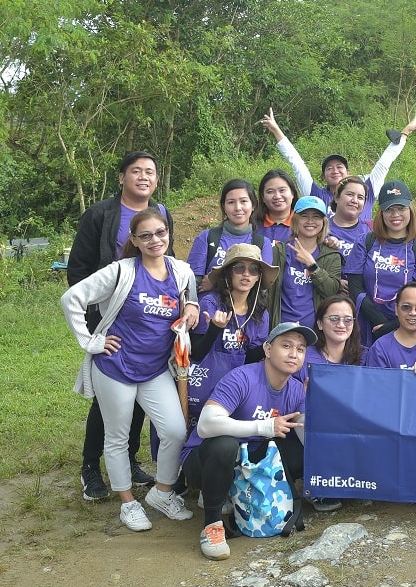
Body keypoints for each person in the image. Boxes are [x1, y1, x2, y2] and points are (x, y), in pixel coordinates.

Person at [61, 209, 198, 531]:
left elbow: (189, 298)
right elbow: (71, 298)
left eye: (160, 233)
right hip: (115, 367)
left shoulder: (181, 271)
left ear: (169, 234)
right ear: (134, 240)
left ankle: (162, 493)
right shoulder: (121, 271)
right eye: (145, 236)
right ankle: (128, 503)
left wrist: (192, 306)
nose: (154, 240)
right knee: (118, 437)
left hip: (155, 369)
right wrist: (91, 342)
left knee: (175, 431)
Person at [67, 150, 175, 502]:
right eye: (136, 171)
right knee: (107, 398)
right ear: (122, 177)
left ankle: (128, 459)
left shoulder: (160, 213)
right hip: (110, 320)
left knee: (141, 394)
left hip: (148, 319)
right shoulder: (100, 214)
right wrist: (94, 328)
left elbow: (167, 263)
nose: (143, 177)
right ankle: (90, 467)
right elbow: (79, 271)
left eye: (150, 171)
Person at [179, 321, 312, 560]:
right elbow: (206, 424)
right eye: (286, 346)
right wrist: (264, 426)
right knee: (225, 445)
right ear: (268, 349)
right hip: (206, 458)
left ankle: (239, 493)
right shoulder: (242, 377)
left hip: (252, 462)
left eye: (300, 349)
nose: (294, 354)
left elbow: (308, 438)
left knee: (303, 453)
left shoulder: (295, 390)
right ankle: (212, 525)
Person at [259, 107, 416, 220]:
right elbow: (297, 164)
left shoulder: (367, 190)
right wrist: (276, 130)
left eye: (340, 167)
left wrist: (405, 133)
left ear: (348, 173)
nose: (335, 170)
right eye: (329, 168)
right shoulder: (315, 194)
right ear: (323, 177)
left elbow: (384, 163)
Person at [187, 243, 275, 433]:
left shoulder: (261, 312)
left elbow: (249, 358)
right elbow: (196, 352)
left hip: (236, 387)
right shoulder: (210, 302)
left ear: (259, 276)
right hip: (203, 381)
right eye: (239, 268)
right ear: (228, 272)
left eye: (253, 269)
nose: (246, 274)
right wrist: (214, 329)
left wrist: (271, 347)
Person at [348, 180, 416, 343]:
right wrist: (379, 321)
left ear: (410, 209)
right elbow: (355, 286)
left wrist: (393, 326)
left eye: (401, 208)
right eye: (389, 209)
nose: (395, 214)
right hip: (368, 324)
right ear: (381, 212)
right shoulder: (364, 242)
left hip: (408, 328)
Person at [187, 179, 274, 280]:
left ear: (253, 205)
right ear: (224, 207)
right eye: (231, 202)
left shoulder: (263, 243)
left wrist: (214, 282)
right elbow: (194, 282)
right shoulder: (206, 238)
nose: (238, 207)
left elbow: (262, 283)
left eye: (243, 201)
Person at [276, 197, 344, 326]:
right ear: (295, 220)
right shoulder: (279, 252)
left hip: (316, 329)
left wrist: (313, 266)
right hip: (281, 327)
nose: (310, 221)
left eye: (316, 216)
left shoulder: (332, 255)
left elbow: (331, 291)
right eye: (304, 216)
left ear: (323, 222)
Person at [325, 176, 371, 264]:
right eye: (350, 194)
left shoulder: (370, 230)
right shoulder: (321, 228)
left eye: (360, 197)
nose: (355, 200)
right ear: (336, 197)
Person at [255, 168, 298, 245]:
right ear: (263, 197)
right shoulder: (252, 225)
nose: (277, 196)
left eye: (282, 190)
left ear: (292, 193)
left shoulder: (304, 224)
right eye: (270, 192)